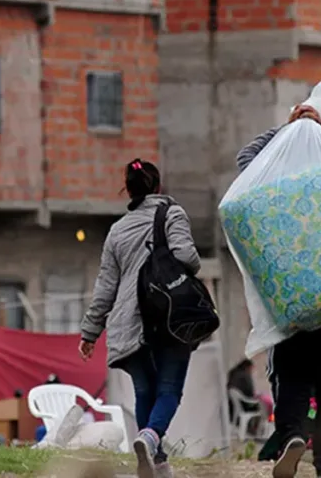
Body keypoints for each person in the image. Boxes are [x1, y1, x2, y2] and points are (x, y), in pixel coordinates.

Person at [237, 102, 321, 478]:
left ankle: (293, 437)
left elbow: (245, 156)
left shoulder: (271, 180)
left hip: (290, 301)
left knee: (290, 378)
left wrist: (289, 129)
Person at [79, 158, 201, 478]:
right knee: (169, 389)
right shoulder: (172, 213)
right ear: (158, 187)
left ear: (128, 190)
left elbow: (105, 287)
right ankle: (150, 437)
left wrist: (90, 333)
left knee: (145, 391)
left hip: (128, 323)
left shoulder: (117, 231)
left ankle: (155, 463)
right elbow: (187, 256)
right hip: (169, 318)